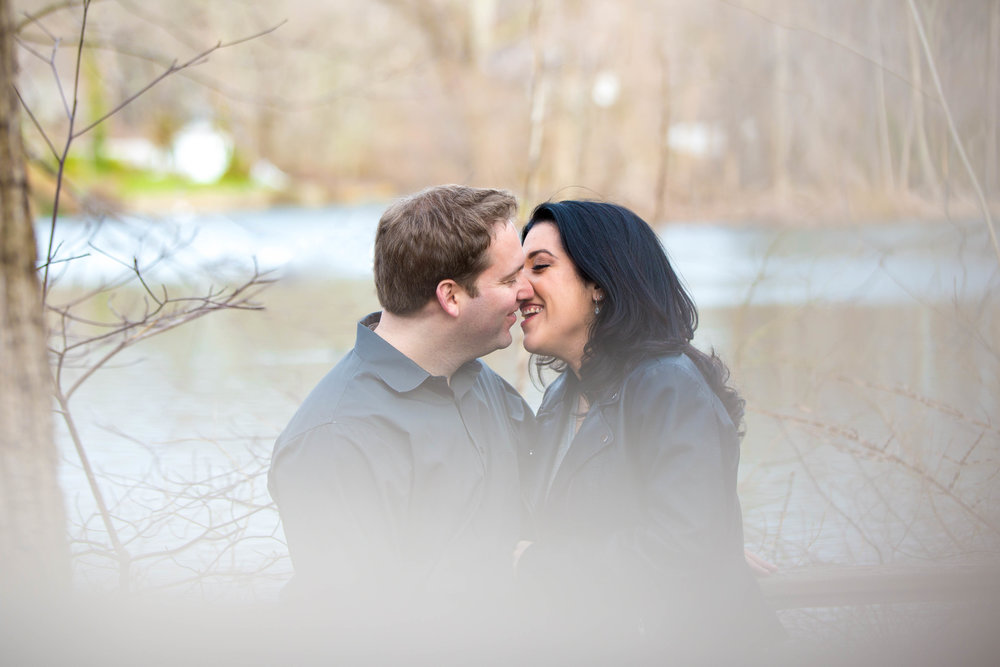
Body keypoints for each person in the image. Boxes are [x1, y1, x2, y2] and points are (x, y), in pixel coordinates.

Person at [267, 185, 534, 653]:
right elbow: (352, 633)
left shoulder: (486, 389)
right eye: (510, 280)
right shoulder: (335, 440)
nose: (525, 291)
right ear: (451, 296)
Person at [513, 200, 783, 662]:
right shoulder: (562, 396)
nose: (519, 289)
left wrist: (536, 565)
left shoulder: (667, 384)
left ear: (599, 281)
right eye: (517, 272)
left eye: (539, 267)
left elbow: (682, 550)